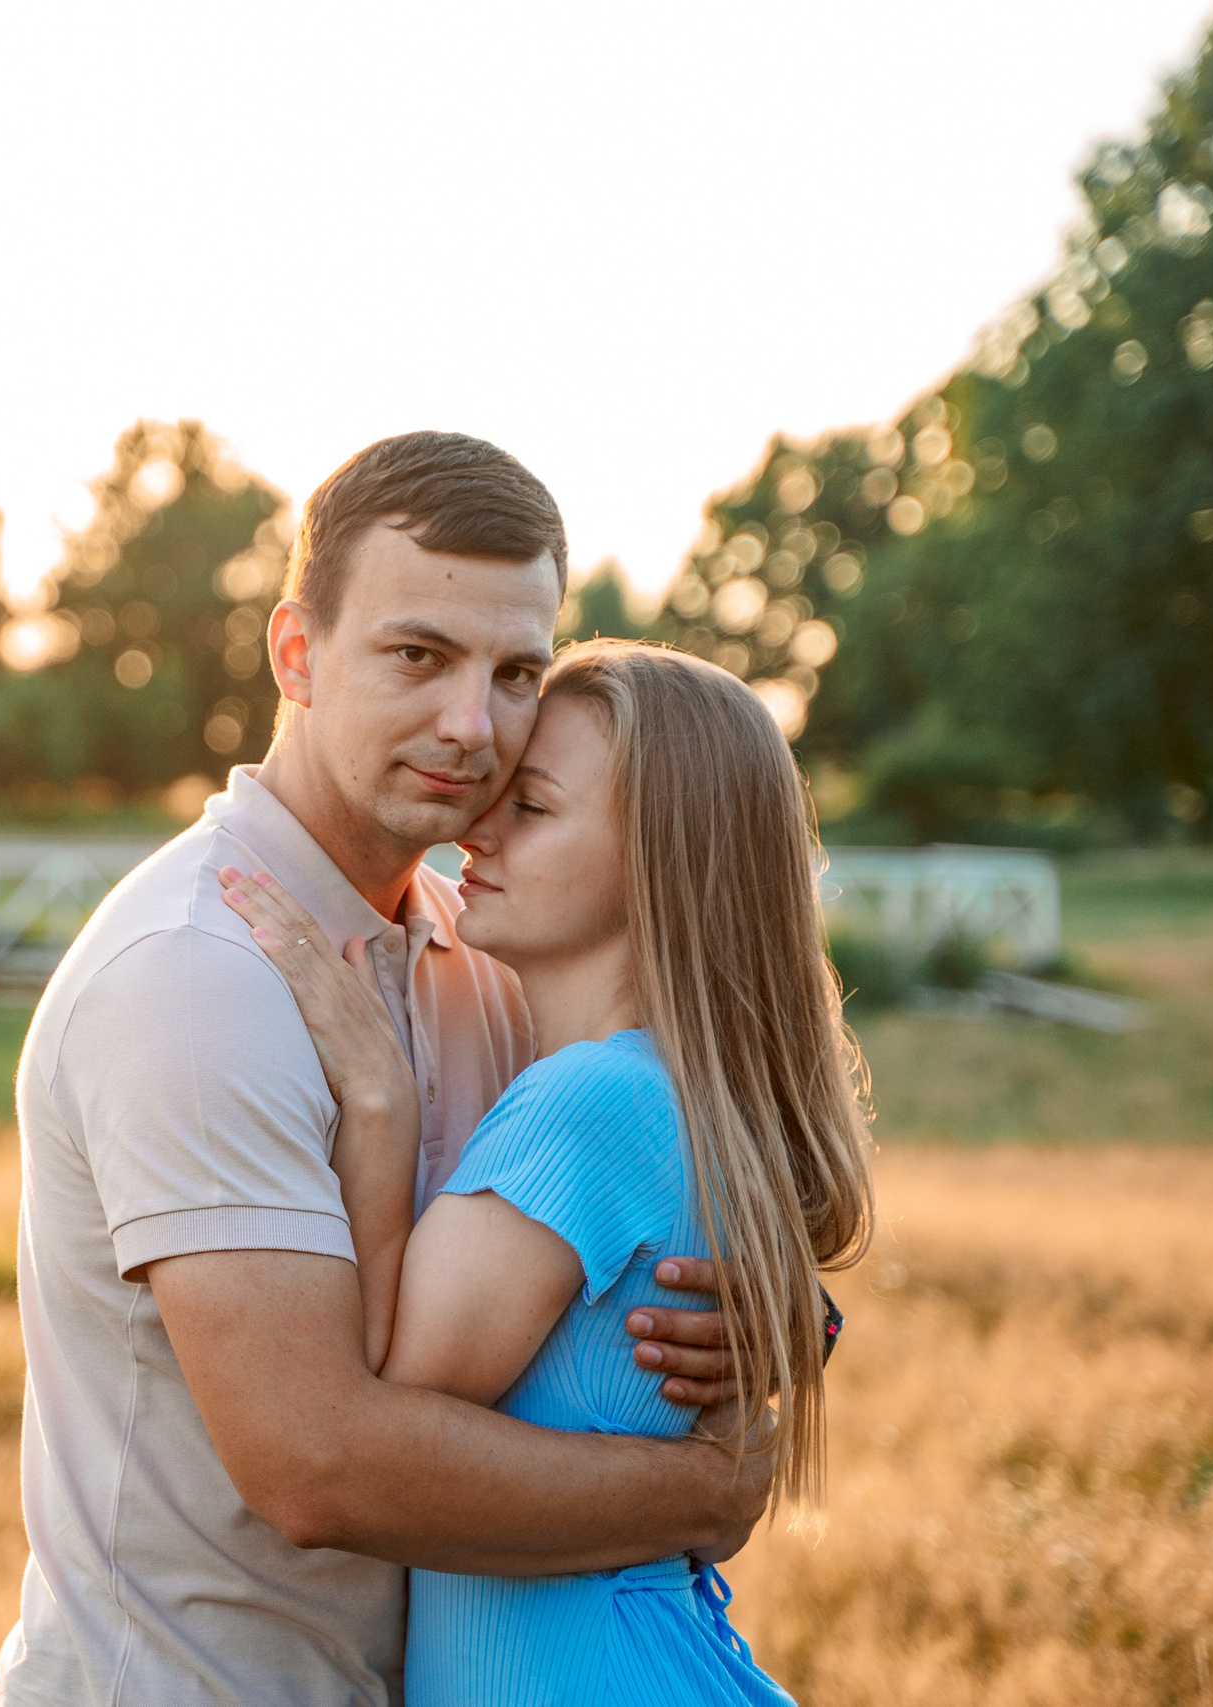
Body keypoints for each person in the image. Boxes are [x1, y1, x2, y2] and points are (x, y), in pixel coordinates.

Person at [0, 434, 783, 1706]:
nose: (474, 728)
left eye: (516, 672)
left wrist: (742, 1329)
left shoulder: (481, 954)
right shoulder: (199, 976)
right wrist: (711, 1485)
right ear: (296, 655)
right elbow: (319, 1468)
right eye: (417, 656)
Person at [220, 639, 876, 1703]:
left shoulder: (588, 1102)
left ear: (657, 860)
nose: (477, 829)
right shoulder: (662, 1088)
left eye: (529, 808)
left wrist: (378, 1108)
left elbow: (383, 1402)